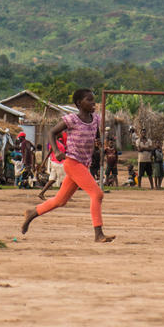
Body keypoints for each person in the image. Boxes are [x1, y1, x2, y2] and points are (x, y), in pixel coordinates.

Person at [21, 89, 114, 243]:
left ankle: (32, 212)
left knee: (60, 201)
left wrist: (97, 143)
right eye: (89, 100)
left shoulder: (96, 119)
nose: (93, 104)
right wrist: (56, 150)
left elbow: (95, 134)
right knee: (97, 194)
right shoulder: (72, 119)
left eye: (94, 100)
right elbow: (51, 133)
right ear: (79, 104)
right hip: (72, 163)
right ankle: (98, 234)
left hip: (84, 164)